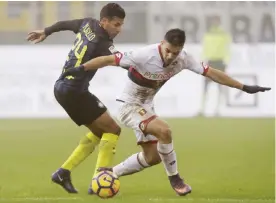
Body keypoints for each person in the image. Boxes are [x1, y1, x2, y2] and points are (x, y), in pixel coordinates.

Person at [62, 28, 271, 196]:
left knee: (152, 157)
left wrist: (243, 87)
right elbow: (108, 60)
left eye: (176, 52)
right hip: (128, 106)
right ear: (162, 44)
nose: (171, 56)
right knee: (165, 132)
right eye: (168, 50)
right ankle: (175, 178)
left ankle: (108, 175)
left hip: (147, 107)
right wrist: (81, 69)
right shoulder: (143, 55)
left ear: (181, 49)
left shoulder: (184, 59)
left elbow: (212, 73)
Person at [26, 3, 126, 194]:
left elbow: (65, 24)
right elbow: (120, 61)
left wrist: (46, 31)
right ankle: (100, 179)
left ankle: (63, 173)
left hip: (62, 86)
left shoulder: (87, 23)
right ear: (104, 21)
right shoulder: (104, 43)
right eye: (116, 24)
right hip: (74, 91)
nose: (119, 29)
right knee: (113, 129)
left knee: (101, 133)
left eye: (121, 25)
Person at [199, 16, 232, 116]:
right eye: (213, 20)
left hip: (220, 61)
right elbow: (204, 48)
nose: (214, 22)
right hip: (210, 62)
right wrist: (203, 60)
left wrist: (227, 60)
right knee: (206, 86)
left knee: (219, 87)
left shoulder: (223, 34)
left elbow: (228, 48)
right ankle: (202, 109)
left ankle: (217, 110)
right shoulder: (207, 34)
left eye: (216, 20)